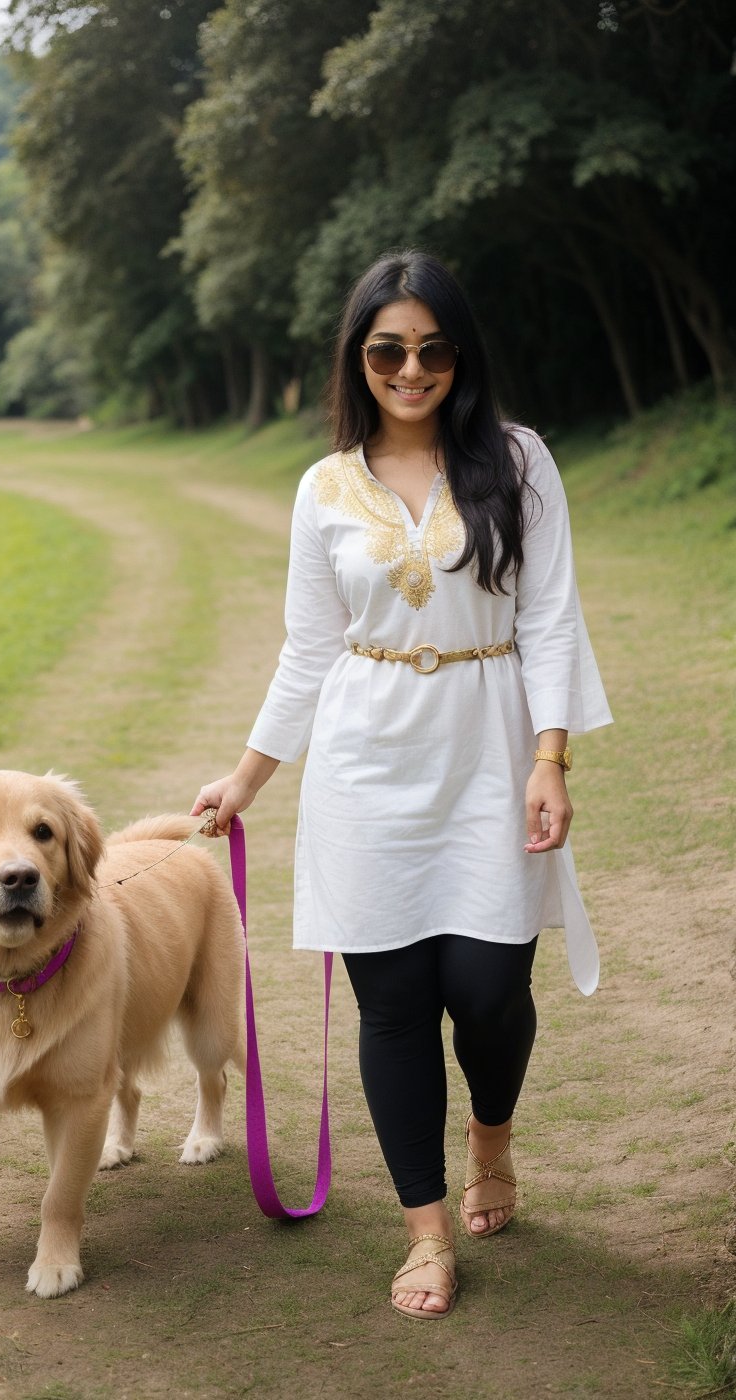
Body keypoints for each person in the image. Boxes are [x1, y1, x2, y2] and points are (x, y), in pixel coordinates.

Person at [191, 248, 612, 1320]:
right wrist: (246, 778)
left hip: (490, 743)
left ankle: (491, 1137)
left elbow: (551, 617)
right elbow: (306, 649)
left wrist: (550, 756)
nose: (410, 368)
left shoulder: (518, 461)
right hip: (364, 762)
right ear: (358, 356)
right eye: (387, 348)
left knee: (486, 990)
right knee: (392, 1005)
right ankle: (424, 1231)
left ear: (458, 355)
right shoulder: (324, 486)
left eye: (430, 348)